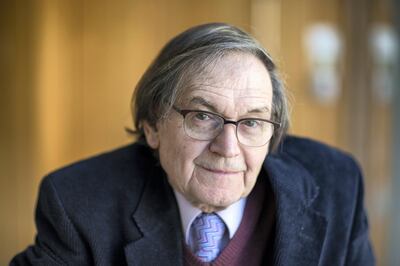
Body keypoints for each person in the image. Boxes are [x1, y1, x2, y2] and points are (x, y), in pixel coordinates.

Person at [11, 23, 375, 265]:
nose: (228, 147)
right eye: (202, 117)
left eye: (251, 122)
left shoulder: (336, 184)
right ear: (152, 125)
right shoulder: (79, 203)